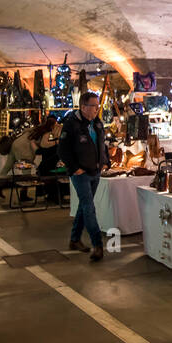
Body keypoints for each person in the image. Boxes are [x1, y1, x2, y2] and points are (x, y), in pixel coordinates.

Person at [58, 93, 110, 261]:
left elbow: (103, 144)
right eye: (94, 105)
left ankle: (74, 239)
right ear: (83, 107)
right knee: (89, 207)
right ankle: (98, 245)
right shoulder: (71, 124)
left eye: (97, 105)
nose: (97, 109)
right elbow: (62, 150)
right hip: (81, 173)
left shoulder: (97, 123)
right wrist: (74, 168)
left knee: (83, 206)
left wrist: (105, 161)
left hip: (95, 172)